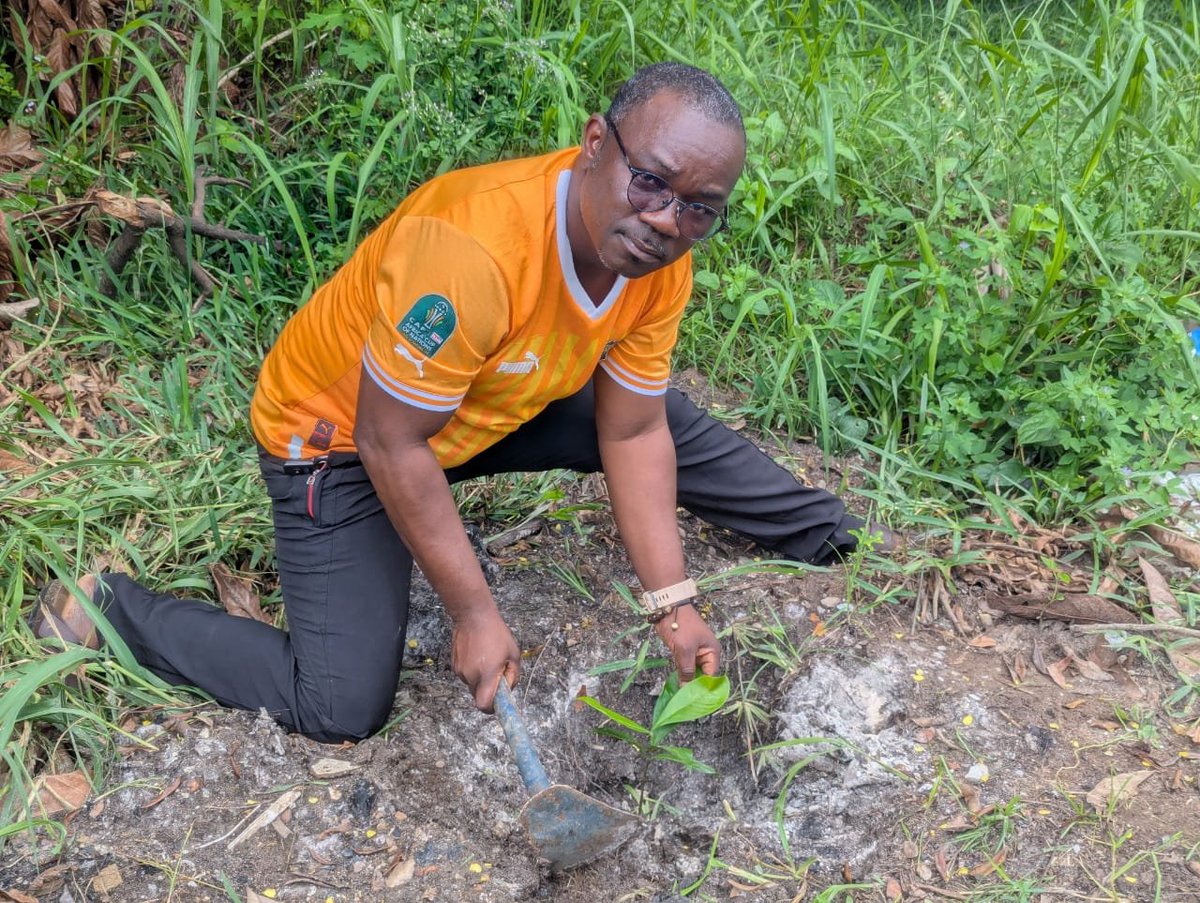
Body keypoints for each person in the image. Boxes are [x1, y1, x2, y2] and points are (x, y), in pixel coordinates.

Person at [32, 63, 890, 743]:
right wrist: (475, 612)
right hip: (340, 439)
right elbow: (389, 440)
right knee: (340, 702)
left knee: (661, 416)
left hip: (476, 405)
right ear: (596, 143)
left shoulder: (657, 262)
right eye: (653, 184)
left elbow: (630, 427)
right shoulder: (473, 251)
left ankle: (834, 537)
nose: (668, 222)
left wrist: (674, 603)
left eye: (700, 209)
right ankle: (111, 608)